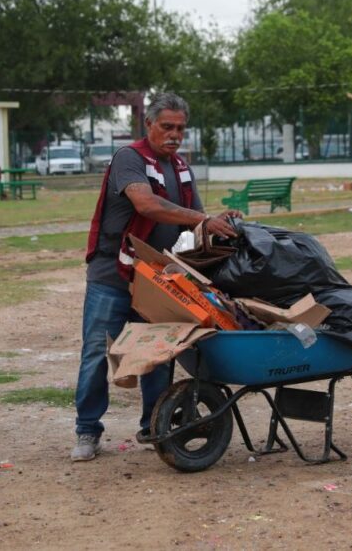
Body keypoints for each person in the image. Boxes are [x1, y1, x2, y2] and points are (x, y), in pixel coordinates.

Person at [71, 93, 240, 462]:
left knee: (158, 353)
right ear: (148, 125)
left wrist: (217, 222)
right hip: (112, 276)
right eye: (167, 126)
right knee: (97, 354)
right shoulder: (129, 159)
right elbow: (146, 204)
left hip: (157, 279)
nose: (174, 134)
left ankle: (153, 424)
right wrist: (199, 218)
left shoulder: (180, 168)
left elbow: (193, 219)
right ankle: (87, 430)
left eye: (180, 128)